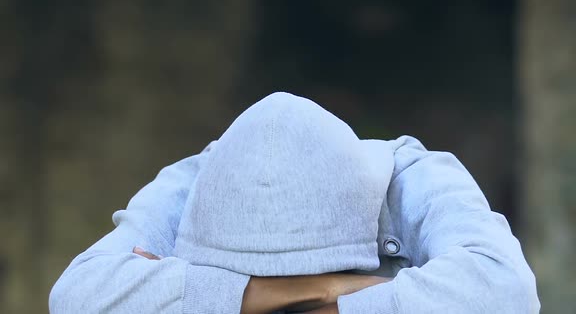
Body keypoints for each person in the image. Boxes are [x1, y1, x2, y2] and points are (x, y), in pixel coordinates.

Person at [49, 92, 541, 313]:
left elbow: (507, 292)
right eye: (255, 281)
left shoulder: (414, 178)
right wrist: (328, 289)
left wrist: (220, 299)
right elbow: (76, 297)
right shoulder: (199, 178)